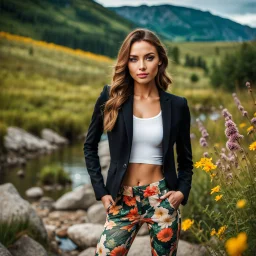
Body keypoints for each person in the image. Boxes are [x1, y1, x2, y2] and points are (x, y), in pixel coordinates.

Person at [83, 28, 193, 256]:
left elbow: (185, 159)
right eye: (133, 59)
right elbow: (89, 146)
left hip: (162, 199)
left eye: (149, 58)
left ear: (160, 61)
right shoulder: (110, 97)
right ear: (126, 63)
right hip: (122, 199)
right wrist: (101, 192)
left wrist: (181, 191)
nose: (141, 66)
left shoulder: (178, 105)